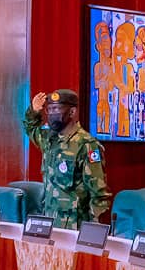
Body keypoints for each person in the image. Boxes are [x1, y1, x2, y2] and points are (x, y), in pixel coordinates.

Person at [22, 89, 111, 228]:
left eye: (57, 109)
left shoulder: (86, 144)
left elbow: (99, 194)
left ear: (72, 112)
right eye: (49, 109)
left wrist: (93, 231)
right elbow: (31, 128)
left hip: (74, 226)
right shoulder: (49, 139)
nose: (52, 114)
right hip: (49, 221)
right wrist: (34, 111)